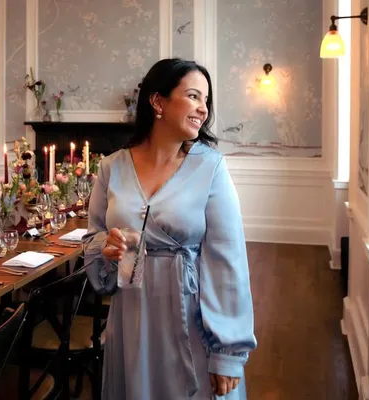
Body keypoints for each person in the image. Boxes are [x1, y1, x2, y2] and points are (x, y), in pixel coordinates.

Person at [83, 58, 257, 400]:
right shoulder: (111, 167)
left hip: (191, 319)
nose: (203, 109)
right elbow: (93, 238)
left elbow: (228, 263)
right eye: (193, 96)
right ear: (157, 101)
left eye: (206, 100)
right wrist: (106, 247)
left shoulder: (210, 167)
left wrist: (227, 352)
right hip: (131, 320)